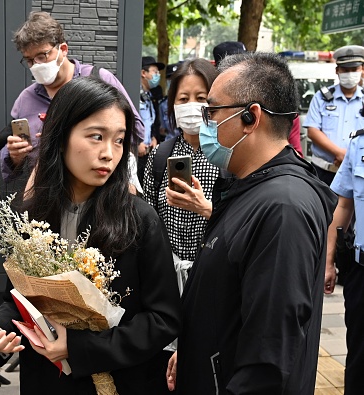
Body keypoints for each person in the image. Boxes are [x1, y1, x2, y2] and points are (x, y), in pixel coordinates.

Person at [0, 77, 182, 394]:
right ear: (61, 138)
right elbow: (17, 299)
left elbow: (163, 319)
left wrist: (79, 346)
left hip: (121, 381)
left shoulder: (140, 219)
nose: (108, 154)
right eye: (96, 137)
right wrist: (0, 331)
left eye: (118, 140)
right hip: (47, 380)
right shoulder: (32, 216)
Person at [168, 52, 337, 394]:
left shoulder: (283, 208)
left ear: (251, 116)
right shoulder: (247, 185)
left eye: (211, 111)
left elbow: (269, 357)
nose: (204, 123)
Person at [0, 11, 144, 188]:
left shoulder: (99, 78)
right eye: (29, 60)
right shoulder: (26, 99)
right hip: (50, 194)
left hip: (102, 190)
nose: (36, 65)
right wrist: (14, 156)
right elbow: (12, 161)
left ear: (63, 50)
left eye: (42, 56)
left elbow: (135, 130)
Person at [143, 58, 219, 262]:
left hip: (214, 271)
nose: (192, 105)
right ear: (173, 104)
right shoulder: (160, 155)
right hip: (167, 271)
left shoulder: (229, 157)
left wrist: (205, 208)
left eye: (201, 98)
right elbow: (149, 220)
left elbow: (244, 222)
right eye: (183, 99)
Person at [324, 127, 364, 394]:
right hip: (361, 271)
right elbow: (344, 204)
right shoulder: (359, 144)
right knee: (360, 354)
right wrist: (328, 261)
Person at [304, 45, 364, 185]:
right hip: (323, 172)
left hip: (357, 172)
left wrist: (349, 157)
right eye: (345, 70)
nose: (350, 74)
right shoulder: (322, 97)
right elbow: (312, 131)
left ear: (362, 70)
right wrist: (339, 153)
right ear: (337, 71)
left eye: (354, 69)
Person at [138, 56, 165, 181]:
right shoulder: (134, 94)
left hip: (148, 151)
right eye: (155, 72)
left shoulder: (150, 96)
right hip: (137, 152)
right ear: (143, 73)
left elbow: (151, 121)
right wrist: (137, 143)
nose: (157, 75)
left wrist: (154, 137)